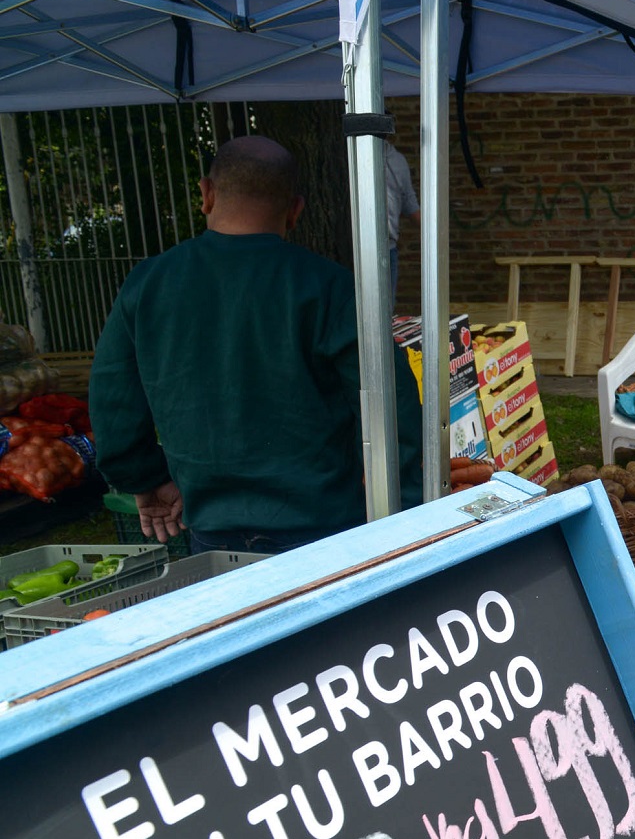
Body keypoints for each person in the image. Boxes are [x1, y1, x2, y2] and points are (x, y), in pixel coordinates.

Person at [90, 135, 423, 555]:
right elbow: (390, 404)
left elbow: (113, 400)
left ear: (206, 194)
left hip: (211, 529)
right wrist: (405, 499)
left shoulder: (149, 283)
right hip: (325, 527)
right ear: (295, 210)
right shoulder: (331, 287)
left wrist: (145, 478)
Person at [385, 136, 420, 309]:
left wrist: (434, 233)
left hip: (388, 247)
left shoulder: (395, 160)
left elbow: (408, 200)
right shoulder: (351, 154)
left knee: (386, 311)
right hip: (355, 247)